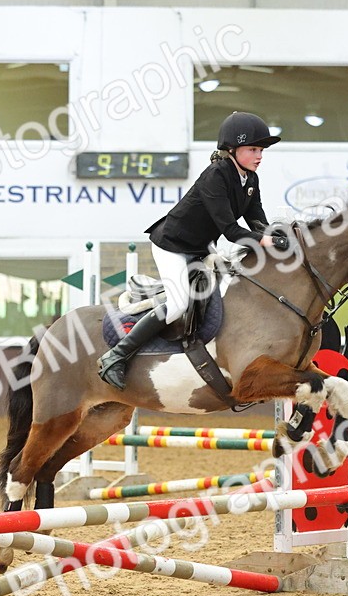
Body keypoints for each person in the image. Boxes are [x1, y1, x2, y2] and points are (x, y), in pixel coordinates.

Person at [97, 111, 282, 390]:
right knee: (178, 305)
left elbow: (257, 220)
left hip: (199, 249)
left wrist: (273, 235)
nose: (259, 155)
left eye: (261, 150)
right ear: (232, 149)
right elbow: (231, 231)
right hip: (172, 246)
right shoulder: (215, 176)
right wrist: (265, 242)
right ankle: (116, 356)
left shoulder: (250, 180)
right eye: (253, 149)